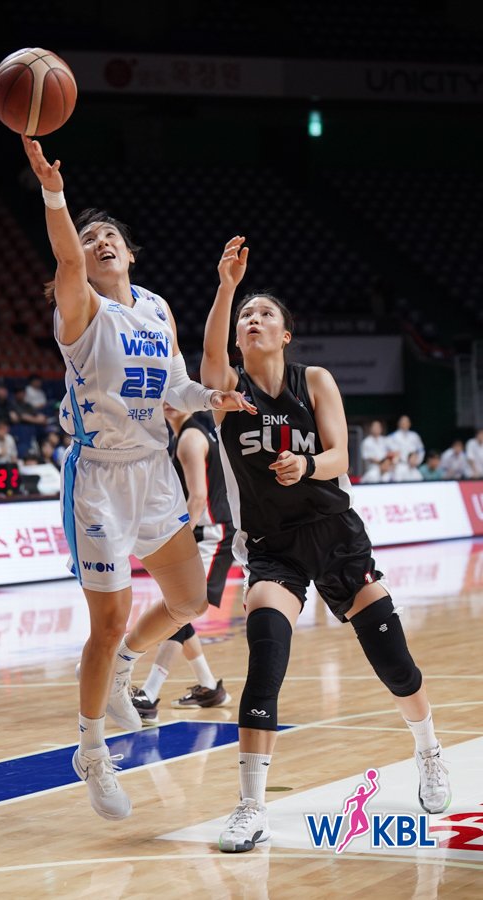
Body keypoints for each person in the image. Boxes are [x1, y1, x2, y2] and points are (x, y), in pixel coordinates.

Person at [21, 136, 255, 822]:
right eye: (90, 237)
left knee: (189, 600)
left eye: (110, 236)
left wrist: (210, 398)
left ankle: (126, 664)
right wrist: (54, 192)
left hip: (153, 472)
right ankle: (91, 749)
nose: (99, 241)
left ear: (129, 252)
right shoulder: (80, 309)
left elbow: (176, 385)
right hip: (98, 479)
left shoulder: (155, 307)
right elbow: (67, 256)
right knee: (108, 620)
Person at [201, 236, 450, 854]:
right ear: (238, 338)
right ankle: (251, 806)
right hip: (273, 548)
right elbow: (207, 361)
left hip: (336, 535)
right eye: (245, 316)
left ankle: (428, 751)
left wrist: (305, 466)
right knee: (265, 658)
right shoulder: (228, 393)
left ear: (285, 335)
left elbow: (340, 456)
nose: (253, 319)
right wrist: (227, 287)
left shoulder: (313, 380)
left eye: (264, 313)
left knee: (393, 663)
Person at [132, 403, 235, 723]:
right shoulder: (185, 435)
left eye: (176, 396)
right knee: (180, 610)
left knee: (180, 610)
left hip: (210, 533)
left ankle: (149, 693)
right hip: (208, 530)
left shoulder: (190, 438)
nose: (168, 401)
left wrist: (178, 538)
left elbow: (198, 497)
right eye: (164, 396)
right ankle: (209, 687)